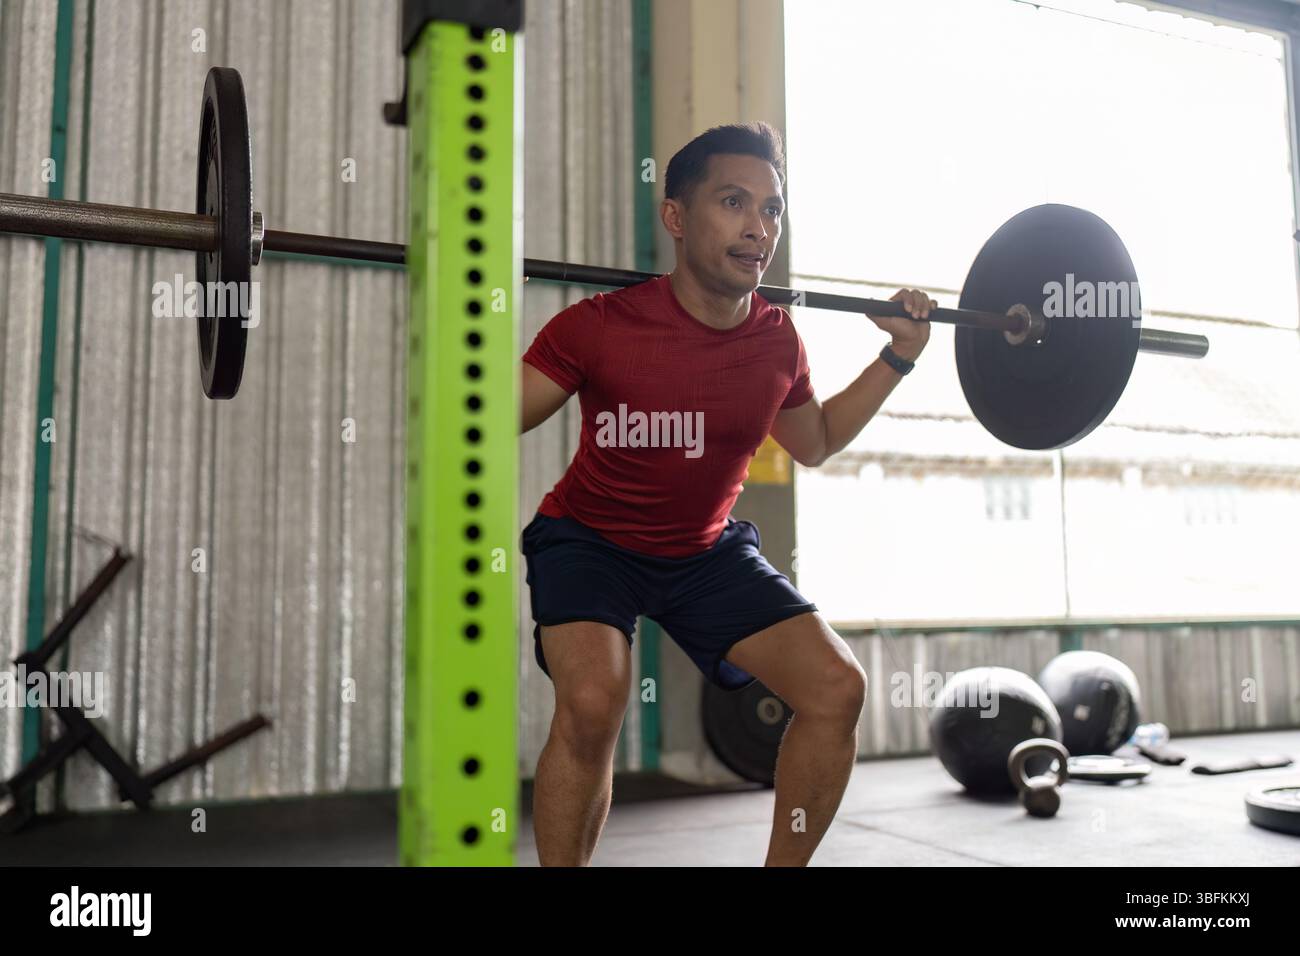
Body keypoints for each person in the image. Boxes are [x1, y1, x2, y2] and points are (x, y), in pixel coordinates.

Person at [519, 122, 935, 866]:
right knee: (592, 704)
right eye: (734, 202)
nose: (758, 227)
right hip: (590, 541)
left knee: (837, 688)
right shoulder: (599, 327)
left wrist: (898, 355)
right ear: (676, 218)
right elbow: (484, 420)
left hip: (704, 552)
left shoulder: (777, 342)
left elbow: (815, 441)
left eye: (772, 209)